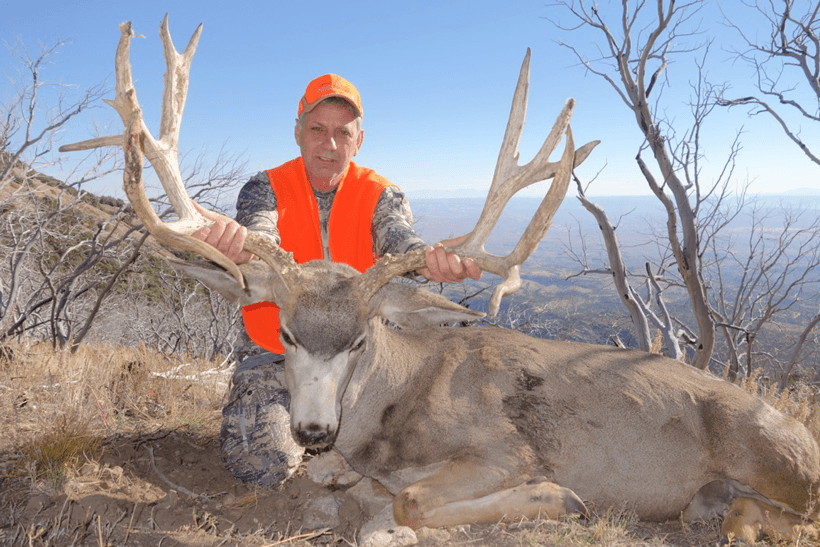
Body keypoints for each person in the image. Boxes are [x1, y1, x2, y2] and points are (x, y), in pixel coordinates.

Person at [193, 74, 481, 487]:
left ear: (357, 141)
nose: (330, 144)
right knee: (263, 465)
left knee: (420, 447)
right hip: (278, 355)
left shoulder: (381, 195)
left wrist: (431, 263)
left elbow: (399, 240)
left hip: (360, 359)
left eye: (342, 133)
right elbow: (260, 231)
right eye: (317, 129)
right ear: (298, 132)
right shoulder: (266, 188)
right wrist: (242, 249)